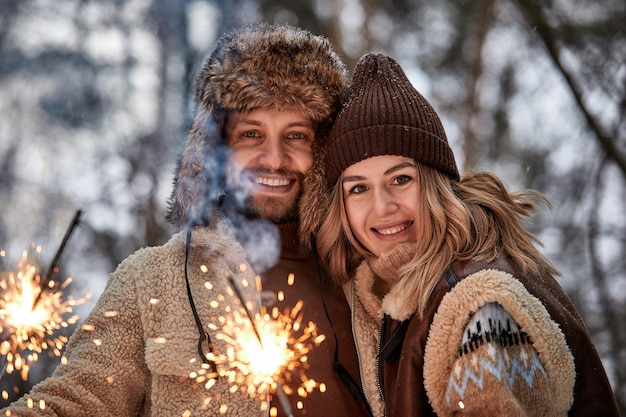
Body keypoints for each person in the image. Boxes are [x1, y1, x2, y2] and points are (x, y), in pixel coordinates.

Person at [1, 23, 370, 416]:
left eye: (296, 136)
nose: (275, 159)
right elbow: (76, 402)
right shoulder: (153, 279)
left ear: (325, 146)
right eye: (251, 135)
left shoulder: (364, 278)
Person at [300, 53, 620, 416]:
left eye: (401, 179)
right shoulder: (403, 295)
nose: (383, 206)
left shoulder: (478, 308)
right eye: (358, 189)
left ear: (436, 183)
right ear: (340, 207)